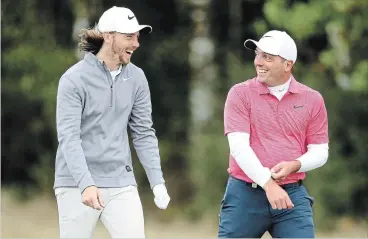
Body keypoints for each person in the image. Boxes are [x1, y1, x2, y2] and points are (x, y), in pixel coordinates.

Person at [54, 6, 170, 239]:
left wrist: (157, 182)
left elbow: (143, 133)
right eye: (129, 37)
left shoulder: (137, 77)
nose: (136, 43)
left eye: (137, 37)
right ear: (108, 37)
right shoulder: (73, 80)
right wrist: (85, 184)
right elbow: (69, 137)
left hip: (121, 181)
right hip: (75, 183)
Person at [218, 30, 329, 238]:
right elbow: (239, 147)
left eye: (267, 57)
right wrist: (268, 184)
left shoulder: (313, 99)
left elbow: (320, 152)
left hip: (291, 194)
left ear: (288, 64)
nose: (258, 62)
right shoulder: (240, 94)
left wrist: (295, 165)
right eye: (257, 55)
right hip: (244, 195)